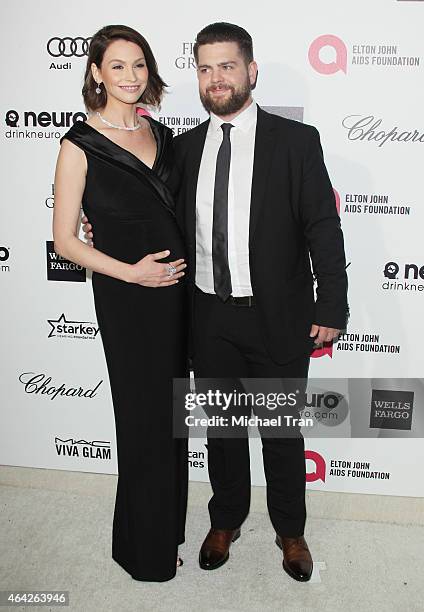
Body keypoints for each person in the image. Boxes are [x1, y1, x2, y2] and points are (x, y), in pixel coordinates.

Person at [83, 22, 349, 582]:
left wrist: (332, 307)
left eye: (227, 66)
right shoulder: (180, 148)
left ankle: (291, 531)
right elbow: (140, 208)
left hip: (278, 316)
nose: (216, 78)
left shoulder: (295, 141)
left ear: (251, 72)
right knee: (223, 432)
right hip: (207, 316)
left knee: (281, 432)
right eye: (205, 68)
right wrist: (97, 221)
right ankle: (224, 518)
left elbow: (324, 228)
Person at [53, 24, 188, 582]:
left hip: (178, 298)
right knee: (142, 422)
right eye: (117, 66)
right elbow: (65, 241)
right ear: (95, 73)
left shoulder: (166, 137)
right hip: (129, 303)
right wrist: (132, 273)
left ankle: (166, 530)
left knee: (173, 419)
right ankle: (144, 550)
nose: (130, 77)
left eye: (138, 65)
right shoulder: (78, 144)